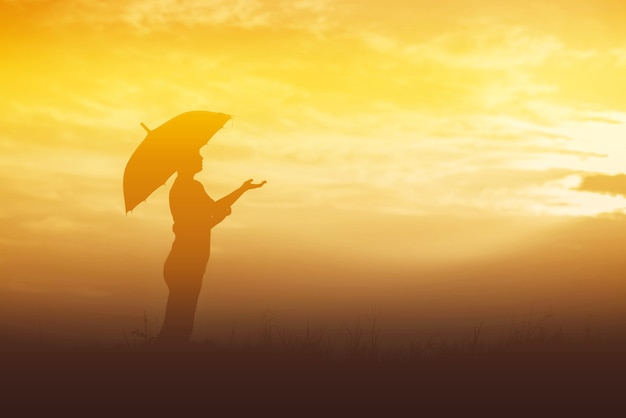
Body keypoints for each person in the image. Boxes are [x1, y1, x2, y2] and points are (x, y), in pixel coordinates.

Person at [156, 149, 266, 346]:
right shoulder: (189, 187)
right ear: (186, 163)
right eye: (196, 156)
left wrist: (237, 195)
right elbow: (211, 212)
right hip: (186, 261)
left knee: (179, 321)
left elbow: (201, 222)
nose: (201, 158)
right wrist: (237, 196)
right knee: (180, 324)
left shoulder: (182, 186)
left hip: (183, 259)